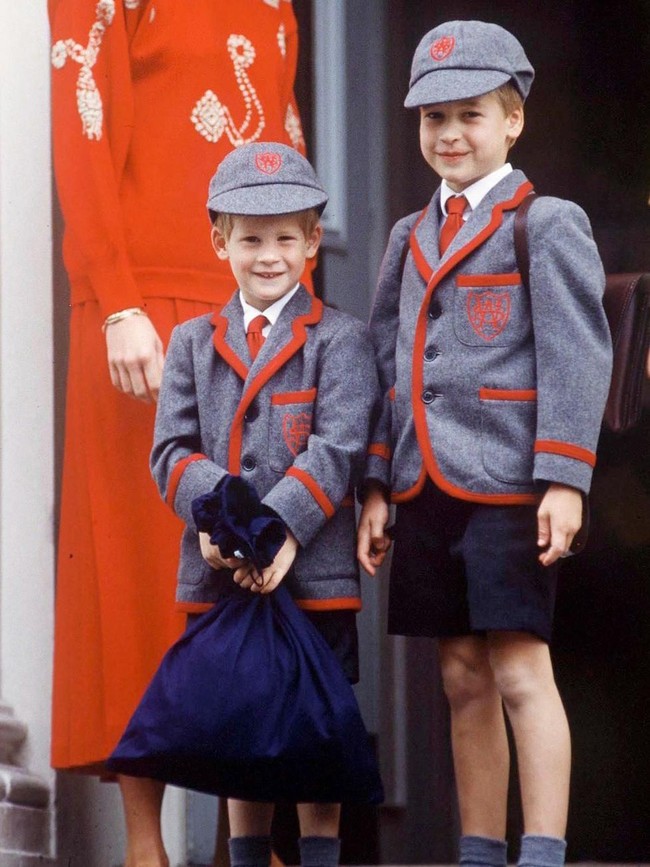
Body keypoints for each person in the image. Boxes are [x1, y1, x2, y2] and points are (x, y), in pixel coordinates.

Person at [48, 1, 311, 864]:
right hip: (142, 310)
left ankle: (252, 836)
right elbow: (81, 129)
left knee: (249, 558)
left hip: (251, 300)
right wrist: (115, 296)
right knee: (133, 568)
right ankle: (142, 844)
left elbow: (284, 155)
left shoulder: (275, 8)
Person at [357, 20, 613, 867]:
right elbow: (389, 361)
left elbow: (577, 350)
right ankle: (478, 848)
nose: (450, 135)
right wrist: (376, 482)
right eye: (433, 119)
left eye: (469, 115)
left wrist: (565, 477)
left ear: (513, 121)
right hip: (425, 483)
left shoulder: (544, 221)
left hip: (510, 482)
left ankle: (540, 850)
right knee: (460, 677)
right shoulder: (406, 236)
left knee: (517, 672)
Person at [148, 141, 379, 867]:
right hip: (222, 567)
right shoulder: (190, 342)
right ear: (220, 239)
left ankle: (318, 857)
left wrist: (276, 530)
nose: (269, 254)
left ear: (313, 239)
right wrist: (224, 529)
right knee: (238, 728)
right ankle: (245, 857)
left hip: (312, 573)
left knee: (316, 728)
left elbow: (337, 448)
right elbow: (172, 452)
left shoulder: (340, 339)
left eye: (286, 236)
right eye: (250, 237)